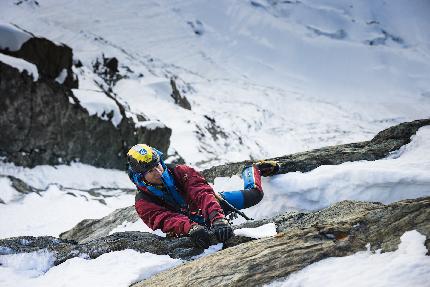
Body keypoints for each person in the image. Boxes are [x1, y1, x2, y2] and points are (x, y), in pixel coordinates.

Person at [126, 144, 279, 249]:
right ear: (140, 176)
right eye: (151, 170)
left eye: (157, 165)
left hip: (210, 207)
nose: (158, 172)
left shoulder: (181, 172)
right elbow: (166, 220)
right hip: (190, 227)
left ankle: (251, 169)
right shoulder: (143, 203)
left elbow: (203, 194)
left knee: (255, 195)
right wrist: (191, 228)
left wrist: (217, 218)